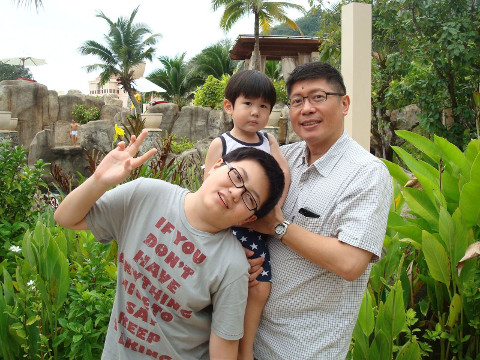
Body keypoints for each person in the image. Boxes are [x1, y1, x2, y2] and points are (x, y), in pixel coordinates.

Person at [54, 130, 285, 360]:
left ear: (248, 219)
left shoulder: (233, 265)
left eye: (250, 199)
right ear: (215, 166)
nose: (236, 192)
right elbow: (66, 218)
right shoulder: (145, 195)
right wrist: (99, 181)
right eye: (237, 176)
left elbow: (223, 352)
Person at [248, 62, 393, 359]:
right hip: (247, 338)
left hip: (304, 348)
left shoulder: (366, 173)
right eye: (297, 101)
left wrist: (279, 226)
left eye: (318, 97)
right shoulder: (282, 159)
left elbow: (350, 262)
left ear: (345, 104)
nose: (307, 109)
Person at [204, 70, 290, 360]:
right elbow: (208, 186)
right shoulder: (223, 144)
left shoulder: (268, 142)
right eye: (248, 104)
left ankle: (246, 350)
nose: (256, 112)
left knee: (260, 287)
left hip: (256, 227)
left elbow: (283, 175)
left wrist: (271, 211)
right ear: (229, 106)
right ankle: (224, 347)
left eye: (264, 106)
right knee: (230, 289)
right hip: (227, 232)